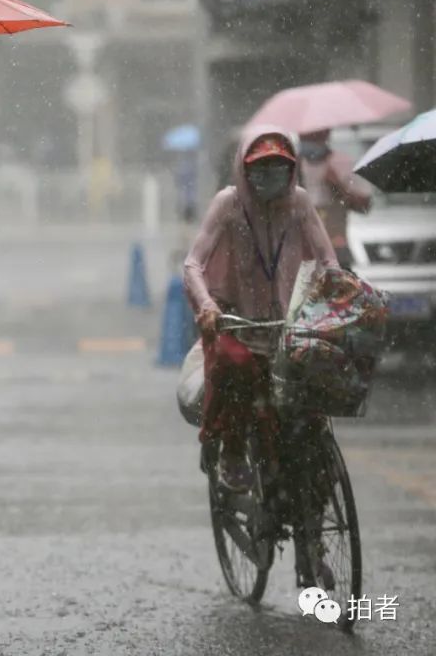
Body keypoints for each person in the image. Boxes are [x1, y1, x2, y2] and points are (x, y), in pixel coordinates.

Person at [184, 126, 340, 588]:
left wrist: (339, 288)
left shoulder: (300, 204)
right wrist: (208, 307)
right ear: (243, 170)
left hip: (290, 330)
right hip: (237, 323)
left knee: (312, 439)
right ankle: (231, 451)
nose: (270, 176)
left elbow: (328, 260)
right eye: (260, 168)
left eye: (279, 167)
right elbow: (193, 263)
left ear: (292, 170)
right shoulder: (228, 205)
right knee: (232, 369)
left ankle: (311, 550)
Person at [298, 129, 373, 268]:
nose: (307, 136)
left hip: (336, 248)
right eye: (304, 132)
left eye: (314, 131)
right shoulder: (291, 166)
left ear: (326, 132)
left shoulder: (341, 162)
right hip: (301, 252)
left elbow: (365, 206)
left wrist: (337, 186)